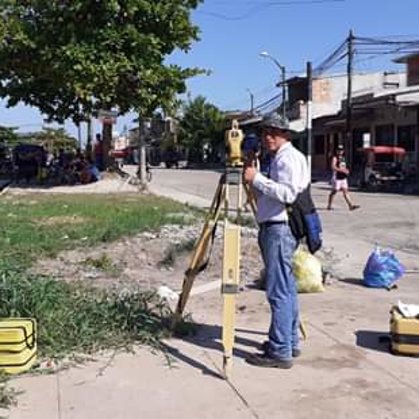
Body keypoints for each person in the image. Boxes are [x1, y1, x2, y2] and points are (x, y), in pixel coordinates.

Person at [243, 112, 310, 369]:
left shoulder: (288, 158)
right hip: (275, 227)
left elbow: (289, 194)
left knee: (278, 290)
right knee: (286, 287)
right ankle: (288, 342)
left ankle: (280, 351)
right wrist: (255, 171)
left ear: (286, 134)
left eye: (274, 132)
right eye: (264, 132)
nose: (268, 137)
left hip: (279, 228)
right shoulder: (279, 158)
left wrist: (256, 178)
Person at [327, 145, 360, 211]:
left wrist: (346, 170)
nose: (340, 151)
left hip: (343, 177)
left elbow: (343, 166)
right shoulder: (335, 158)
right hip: (337, 177)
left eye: (341, 150)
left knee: (345, 191)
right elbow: (333, 167)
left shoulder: (343, 158)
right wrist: (342, 170)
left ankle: (350, 205)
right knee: (334, 191)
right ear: (336, 151)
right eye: (339, 150)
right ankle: (329, 205)